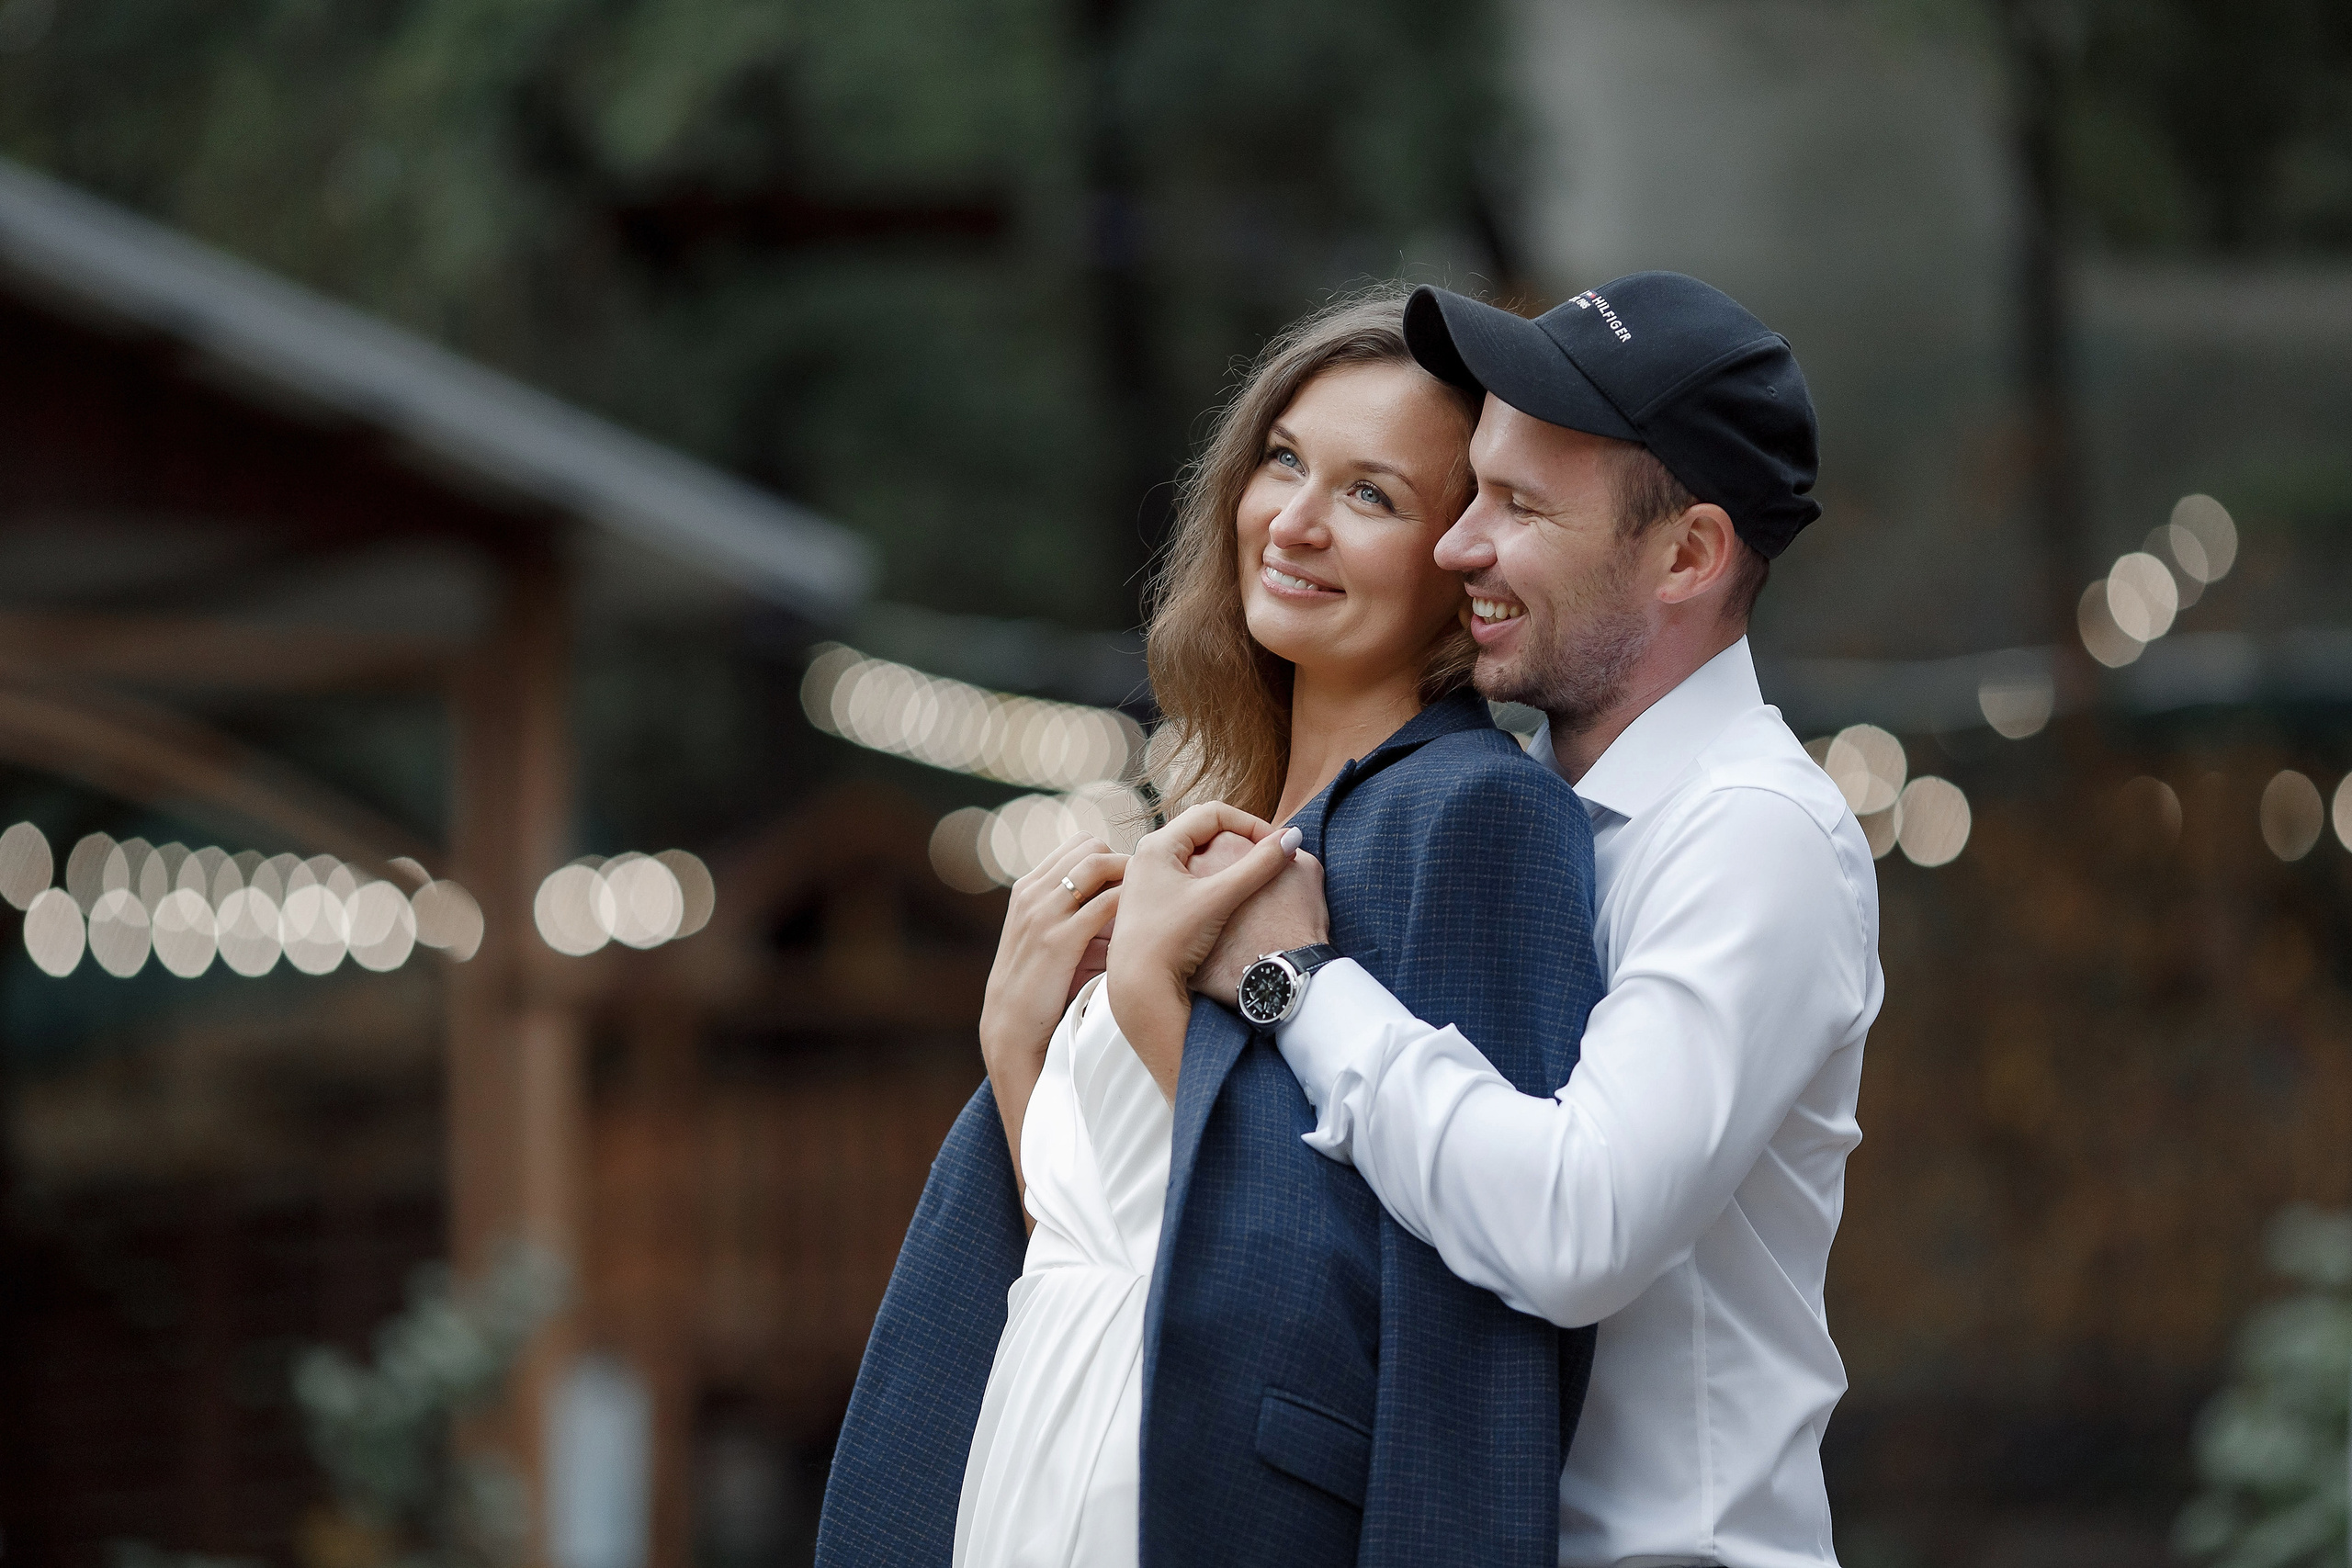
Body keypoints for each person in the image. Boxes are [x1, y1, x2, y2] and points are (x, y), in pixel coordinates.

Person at [815, 286, 1605, 1568]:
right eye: (1284, 461)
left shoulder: (1472, 819)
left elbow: (1455, 1291)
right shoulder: (1210, 825)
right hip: (1043, 1444)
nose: (1292, 520)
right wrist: (1018, 1048)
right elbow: (1103, 1231)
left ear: (1459, 563)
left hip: (1221, 1506)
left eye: (1370, 495)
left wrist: (1142, 1004)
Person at [1111, 273, 1884, 1568]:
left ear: (1687, 555)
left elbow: (1577, 1225)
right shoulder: (1510, 814)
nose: (1458, 546)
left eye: (1519, 507)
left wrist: (1297, 986)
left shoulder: (1758, 833)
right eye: (1472, 490)